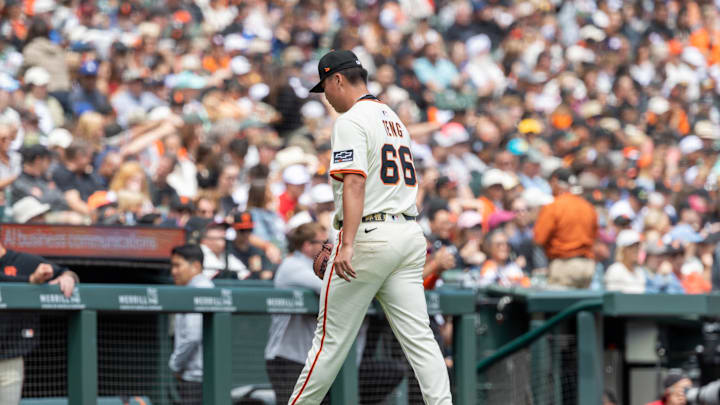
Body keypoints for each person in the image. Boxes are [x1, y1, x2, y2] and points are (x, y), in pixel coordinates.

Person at [289, 50, 452, 404]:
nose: (327, 98)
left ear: (337, 79)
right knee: (421, 339)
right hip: (408, 233)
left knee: (328, 342)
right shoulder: (393, 118)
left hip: (370, 234)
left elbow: (355, 183)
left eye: (325, 88)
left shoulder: (351, 119)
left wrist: (347, 242)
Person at [0, 240, 78, 405]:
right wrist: (30, 280)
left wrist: (67, 277)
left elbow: (67, 273)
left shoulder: (22, 261)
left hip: (8, 361)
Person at [265, 223, 331, 405]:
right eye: (323, 243)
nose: (329, 247)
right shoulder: (292, 265)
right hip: (286, 358)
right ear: (307, 245)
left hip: (304, 356)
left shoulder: (311, 265)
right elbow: (329, 286)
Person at [534, 168, 598, 289]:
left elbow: (539, 239)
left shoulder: (554, 207)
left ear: (555, 181)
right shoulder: (589, 207)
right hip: (587, 266)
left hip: (564, 265)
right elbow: (595, 237)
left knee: (560, 306)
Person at [168, 244, 214, 405]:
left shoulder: (199, 289)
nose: (173, 271)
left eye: (177, 265)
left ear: (195, 266)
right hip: (203, 377)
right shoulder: (201, 287)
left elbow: (192, 337)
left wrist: (175, 364)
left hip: (197, 379)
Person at [604, 229, 647, 293]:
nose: (635, 250)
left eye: (637, 247)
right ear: (622, 250)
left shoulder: (640, 272)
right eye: (631, 247)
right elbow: (615, 299)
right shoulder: (615, 270)